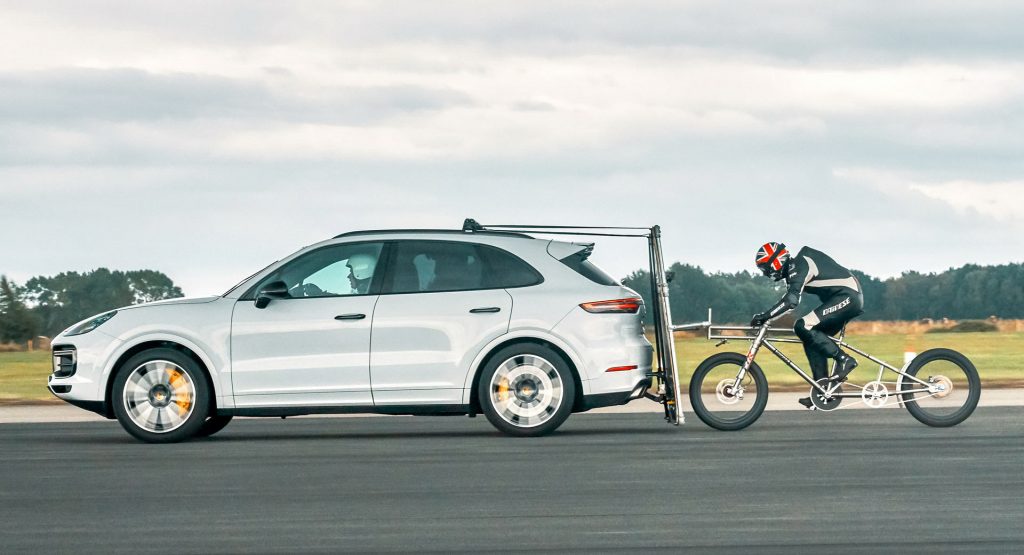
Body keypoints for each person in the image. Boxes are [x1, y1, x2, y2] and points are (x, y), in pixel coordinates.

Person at [750, 242, 865, 409]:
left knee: (802, 326)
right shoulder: (795, 270)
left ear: (776, 262)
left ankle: (845, 360)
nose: (766, 273)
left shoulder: (800, 264)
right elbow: (790, 298)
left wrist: (765, 316)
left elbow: (791, 301)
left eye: (765, 268)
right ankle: (823, 391)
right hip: (844, 297)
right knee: (810, 337)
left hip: (848, 296)